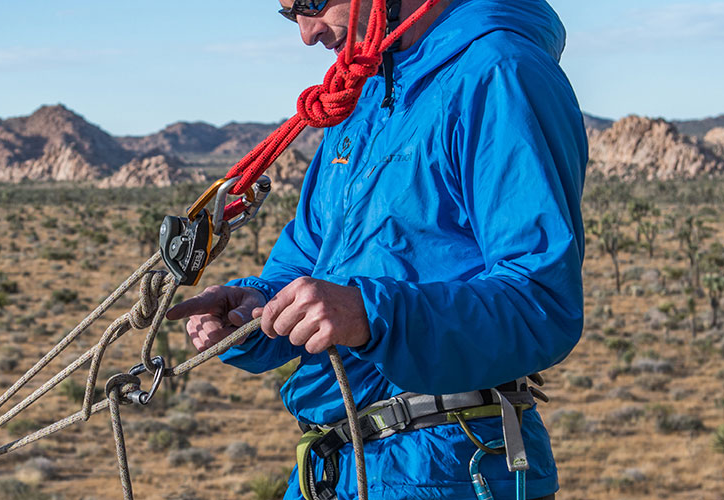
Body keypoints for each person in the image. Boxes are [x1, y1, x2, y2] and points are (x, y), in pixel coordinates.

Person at [167, 0, 585, 499]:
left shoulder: (498, 73)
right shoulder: (361, 96)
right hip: (334, 468)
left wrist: (371, 314)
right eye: (288, 15)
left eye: (313, 2)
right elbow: (308, 261)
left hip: (451, 465)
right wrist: (256, 310)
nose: (305, 33)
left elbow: (540, 302)